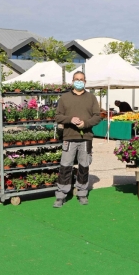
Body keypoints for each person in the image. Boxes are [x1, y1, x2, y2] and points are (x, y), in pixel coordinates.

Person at [53, 71, 101, 208]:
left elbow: (97, 116)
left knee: (84, 166)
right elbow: (58, 116)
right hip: (69, 137)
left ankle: (82, 193)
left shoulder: (91, 98)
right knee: (65, 166)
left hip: (86, 137)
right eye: (76, 79)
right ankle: (61, 195)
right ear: (72, 81)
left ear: (85, 82)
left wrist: (85, 123)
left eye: (81, 79)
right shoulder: (64, 98)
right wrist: (70, 119)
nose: (79, 81)